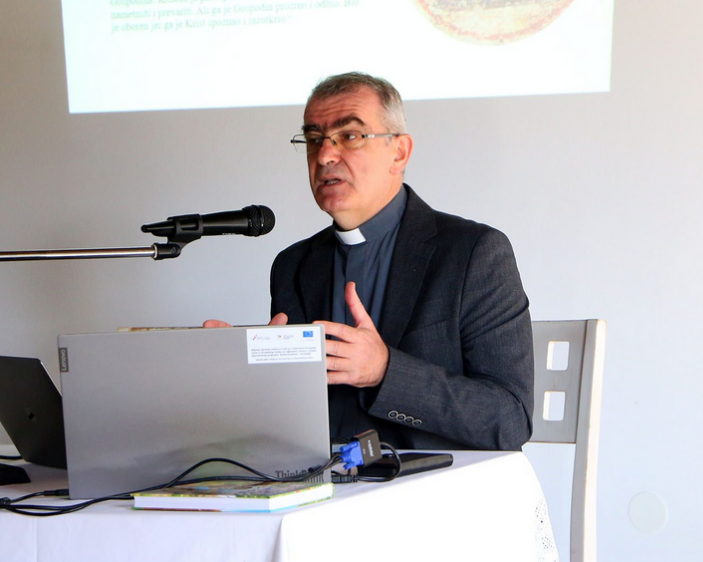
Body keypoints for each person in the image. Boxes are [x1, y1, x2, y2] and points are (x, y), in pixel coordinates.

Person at [208, 72, 533, 450]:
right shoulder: (294, 265)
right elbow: (298, 418)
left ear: (399, 152)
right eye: (314, 139)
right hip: (323, 480)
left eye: (350, 136)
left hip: (434, 482)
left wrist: (385, 371)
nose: (325, 156)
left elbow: (510, 419)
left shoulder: (473, 253)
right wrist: (248, 377)